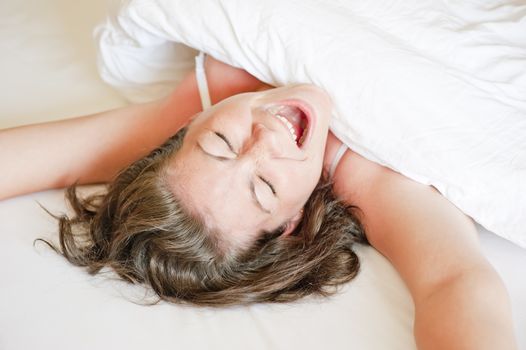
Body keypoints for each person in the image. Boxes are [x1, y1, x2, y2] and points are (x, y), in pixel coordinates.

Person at [0, 54, 517, 350]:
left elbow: (52, 158)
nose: (264, 138)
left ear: (186, 130)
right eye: (265, 187)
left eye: (221, 144)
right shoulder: (368, 178)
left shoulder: (201, 108)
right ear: (292, 223)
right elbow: (452, 284)